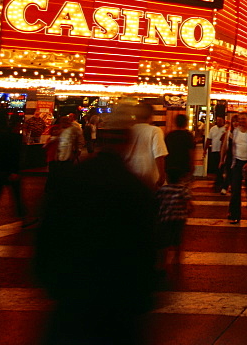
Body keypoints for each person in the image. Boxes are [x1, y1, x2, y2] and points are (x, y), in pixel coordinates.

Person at [35, 116, 156, 345]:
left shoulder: (72, 179)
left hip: (72, 298)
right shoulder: (135, 187)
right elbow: (144, 250)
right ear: (127, 143)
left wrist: (55, 285)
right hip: (117, 304)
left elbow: (47, 238)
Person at [156, 167, 193, 275]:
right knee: (177, 239)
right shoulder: (183, 189)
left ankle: (163, 263)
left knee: (164, 240)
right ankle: (177, 258)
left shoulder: (163, 190)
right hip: (179, 219)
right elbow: (189, 204)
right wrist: (187, 212)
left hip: (165, 219)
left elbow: (157, 201)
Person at [226, 115, 247, 224]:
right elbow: (233, 147)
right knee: (235, 190)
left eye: (243, 119)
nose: (241, 121)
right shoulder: (235, 131)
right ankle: (235, 214)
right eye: (239, 119)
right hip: (237, 162)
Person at [125, 104, 168, 188]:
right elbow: (159, 154)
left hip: (131, 176)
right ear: (151, 116)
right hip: (150, 177)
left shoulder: (129, 130)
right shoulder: (155, 130)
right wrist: (162, 176)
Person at [164, 114, 196, 182]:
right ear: (186, 123)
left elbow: (165, 152)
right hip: (184, 166)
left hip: (170, 166)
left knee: (171, 187)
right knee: (183, 187)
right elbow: (191, 152)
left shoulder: (169, 135)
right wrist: (192, 165)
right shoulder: (188, 136)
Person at [206, 117, 226, 185]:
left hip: (222, 151)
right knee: (215, 166)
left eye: (220, 120)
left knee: (221, 167)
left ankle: (220, 181)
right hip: (214, 150)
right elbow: (209, 139)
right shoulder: (213, 129)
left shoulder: (225, 129)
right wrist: (205, 149)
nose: (218, 122)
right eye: (217, 120)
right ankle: (219, 180)